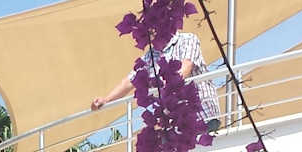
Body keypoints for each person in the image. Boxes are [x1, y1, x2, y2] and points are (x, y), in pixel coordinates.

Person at [90, 29, 220, 130]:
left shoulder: (187, 39)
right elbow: (130, 81)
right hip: (176, 124)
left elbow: (185, 69)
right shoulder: (151, 55)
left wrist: (160, 85)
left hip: (203, 115)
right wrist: (106, 99)